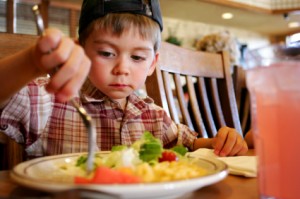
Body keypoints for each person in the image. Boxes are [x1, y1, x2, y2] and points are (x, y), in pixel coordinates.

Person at [0, 0, 248, 159]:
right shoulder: (50, 99)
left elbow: (191, 144)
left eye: (138, 57)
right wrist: (32, 62)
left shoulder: (152, 115)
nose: (122, 69)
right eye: (107, 53)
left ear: (152, 63)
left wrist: (221, 142)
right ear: (82, 51)